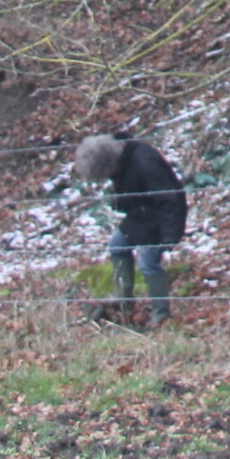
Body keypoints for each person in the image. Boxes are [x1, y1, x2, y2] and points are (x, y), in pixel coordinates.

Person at [73, 132, 186, 325]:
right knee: (117, 246)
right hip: (139, 215)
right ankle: (123, 298)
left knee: (147, 263)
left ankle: (161, 313)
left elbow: (171, 198)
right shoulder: (121, 153)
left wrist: (170, 234)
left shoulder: (145, 163)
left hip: (158, 218)